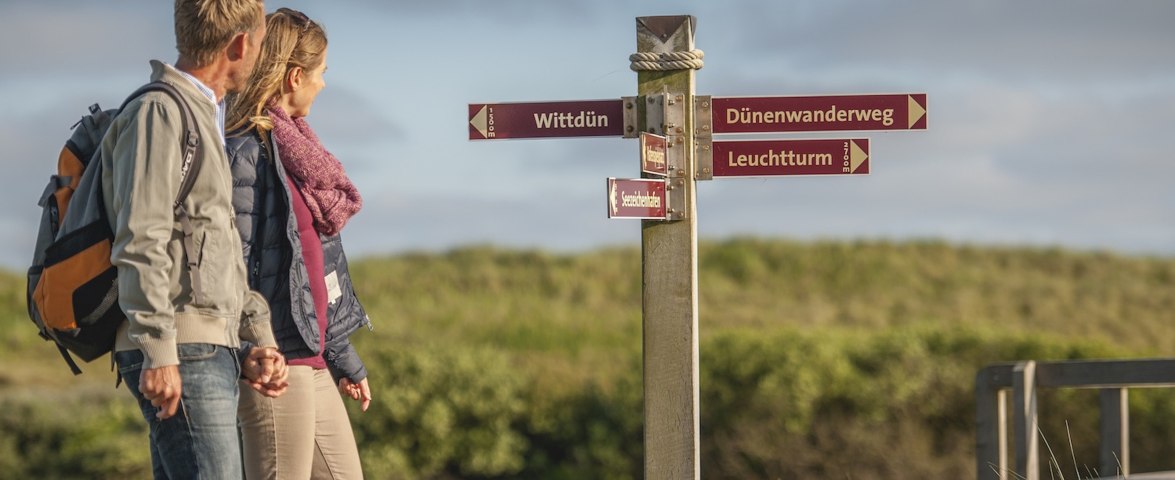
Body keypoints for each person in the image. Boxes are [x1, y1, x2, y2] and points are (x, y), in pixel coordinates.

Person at [99, 1, 290, 478]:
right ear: (240, 44)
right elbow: (140, 239)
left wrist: (253, 339)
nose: (260, 55)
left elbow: (211, 248)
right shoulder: (160, 112)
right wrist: (160, 351)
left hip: (204, 349)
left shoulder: (202, 114)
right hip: (183, 352)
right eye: (260, 44)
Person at [225, 7, 373, 479]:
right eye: (321, 72)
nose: (323, 84)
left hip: (311, 354)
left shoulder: (296, 154)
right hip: (275, 361)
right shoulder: (246, 151)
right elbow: (234, 264)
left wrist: (342, 355)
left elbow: (316, 268)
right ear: (294, 76)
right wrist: (252, 351)